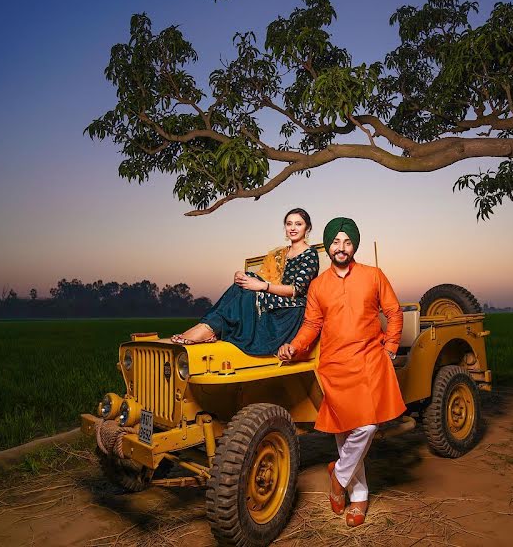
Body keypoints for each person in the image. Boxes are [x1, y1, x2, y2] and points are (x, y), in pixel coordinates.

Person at [277, 217, 405, 527]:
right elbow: (312, 325)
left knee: (368, 425)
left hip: (370, 360)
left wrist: (390, 349)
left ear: (354, 246)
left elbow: (394, 312)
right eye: (336, 242)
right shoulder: (318, 285)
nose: (341, 247)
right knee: (345, 430)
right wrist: (294, 346)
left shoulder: (374, 276)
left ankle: (339, 474)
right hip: (334, 364)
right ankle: (358, 498)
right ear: (329, 246)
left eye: (347, 242)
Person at [172, 208, 319, 356]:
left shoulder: (310, 254)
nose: (293, 228)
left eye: (298, 224)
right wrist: (241, 277)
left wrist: (262, 285)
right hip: (274, 297)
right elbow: (262, 276)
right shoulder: (280, 254)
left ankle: (210, 328)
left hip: (293, 306)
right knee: (246, 279)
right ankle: (208, 327)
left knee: (250, 292)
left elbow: (297, 290)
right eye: (289, 224)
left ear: (307, 228)